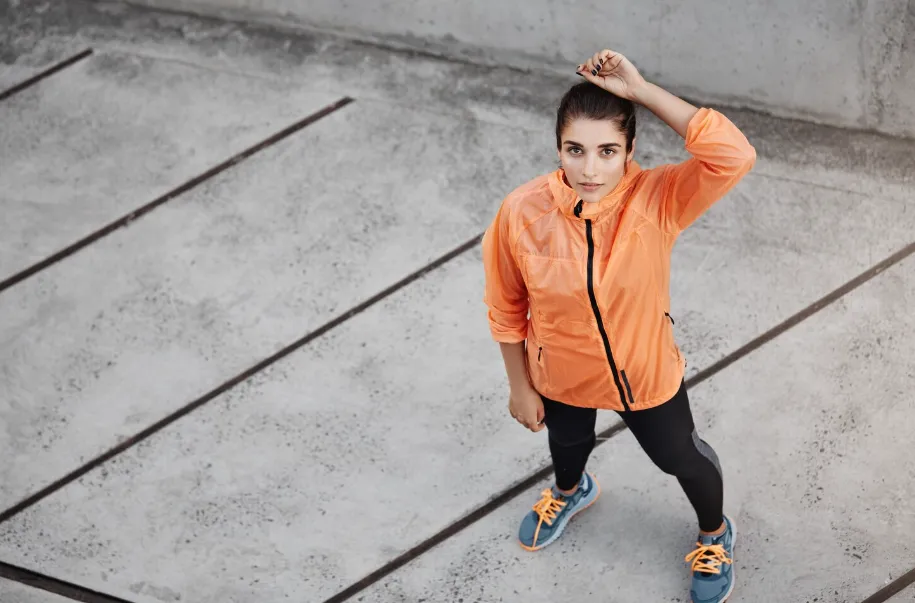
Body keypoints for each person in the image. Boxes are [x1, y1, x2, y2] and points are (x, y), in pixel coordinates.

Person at [481, 48, 756, 603]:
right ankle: (571, 490)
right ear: (558, 148)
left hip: (643, 373)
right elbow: (506, 305)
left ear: (630, 151)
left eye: (607, 151)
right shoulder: (521, 212)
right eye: (575, 150)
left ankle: (714, 534)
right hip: (560, 373)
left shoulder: (658, 199)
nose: (589, 170)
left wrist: (643, 91)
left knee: (679, 457)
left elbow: (733, 155)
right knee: (567, 442)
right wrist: (519, 386)